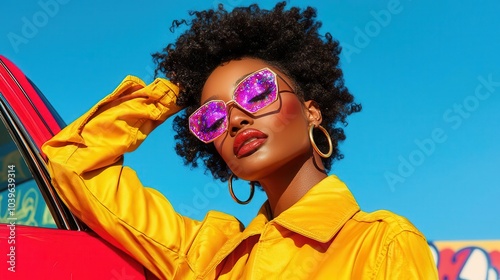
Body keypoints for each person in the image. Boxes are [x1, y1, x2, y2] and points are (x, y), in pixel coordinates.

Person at [42, 2, 438, 279]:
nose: (234, 118)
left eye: (256, 92)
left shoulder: (382, 244)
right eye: (211, 116)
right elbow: (74, 162)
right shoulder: (207, 255)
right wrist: (174, 92)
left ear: (311, 111)